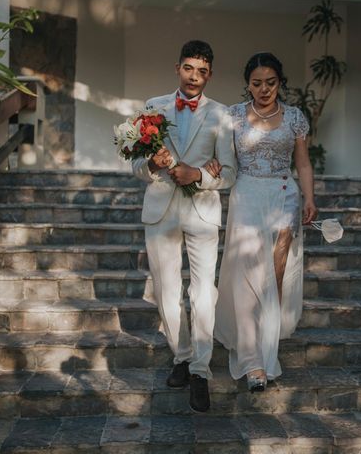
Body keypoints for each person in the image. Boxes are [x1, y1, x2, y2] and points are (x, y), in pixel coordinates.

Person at [131, 40, 236, 412]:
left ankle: (200, 372)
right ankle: (183, 355)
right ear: (178, 68)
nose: (195, 77)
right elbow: (136, 166)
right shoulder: (153, 106)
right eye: (189, 68)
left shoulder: (222, 114)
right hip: (161, 208)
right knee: (166, 291)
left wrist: (199, 176)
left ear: (210, 74)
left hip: (202, 211)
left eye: (202, 71)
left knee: (203, 292)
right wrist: (154, 165)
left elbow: (230, 171)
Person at [210, 52, 317, 392]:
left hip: (283, 197)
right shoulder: (234, 115)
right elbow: (222, 157)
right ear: (248, 85)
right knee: (246, 278)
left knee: (275, 277)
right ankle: (251, 360)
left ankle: (268, 354)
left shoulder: (296, 118)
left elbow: (303, 164)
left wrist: (310, 197)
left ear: (280, 82)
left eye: (270, 82)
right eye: (257, 83)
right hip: (247, 197)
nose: (264, 89)